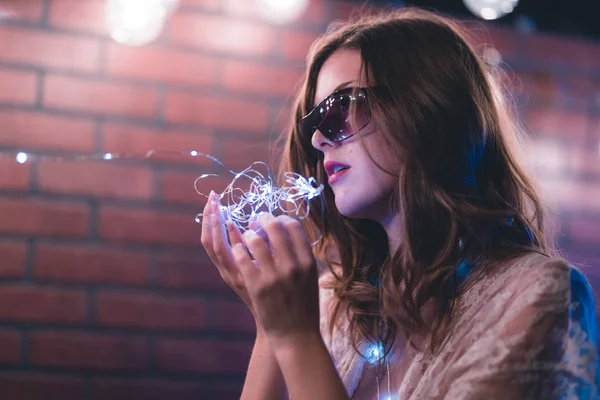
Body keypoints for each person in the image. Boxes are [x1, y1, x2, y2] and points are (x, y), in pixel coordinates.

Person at [200, 7, 599, 400]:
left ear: (425, 108)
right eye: (314, 123)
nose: (320, 139)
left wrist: (295, 336)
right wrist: (272, 327)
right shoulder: (328, 306)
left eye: (340, 107)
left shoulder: (538, 296)